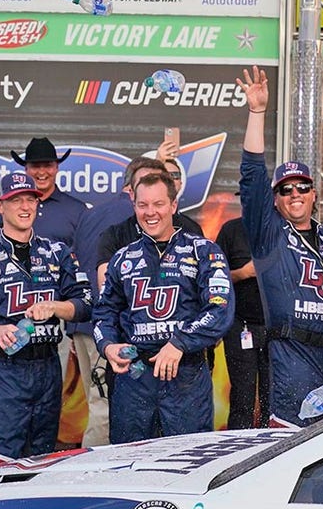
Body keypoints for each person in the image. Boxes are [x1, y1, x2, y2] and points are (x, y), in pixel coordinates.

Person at [236, 65, 323, 428]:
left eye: (302, 187)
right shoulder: (270, 236)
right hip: (293, 354)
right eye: (285, 189)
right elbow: (251, 178)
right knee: (291, 446)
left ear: (314, 194)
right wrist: (257, 112)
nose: (294, 194)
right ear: (276, 200)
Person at [93, 172, 233, 444]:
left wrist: (179, 343)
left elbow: (220, 309)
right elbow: (103, 313)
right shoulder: (122, 258)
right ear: (133, 206)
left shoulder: (204, 250)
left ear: (173, 205)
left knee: (188, 461)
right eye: (143, 205)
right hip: (133, 379)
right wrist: (108, 345)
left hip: (186, 377)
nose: (150, 212)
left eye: (158, 204)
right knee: (128, 461)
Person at [0, 172, 91, 467]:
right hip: (6, 369)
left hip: (49, 366)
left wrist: (55, 307)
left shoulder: (57, 252)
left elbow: (86, 303)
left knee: (42, 457)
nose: (25, 207)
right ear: (0, 206)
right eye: (16, 200)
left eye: (30, 199)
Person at [68, 155, 167, 448]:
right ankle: (94, 478)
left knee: (96, 403)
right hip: (114, 330)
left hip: (85, 325)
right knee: (107, 408)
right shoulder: (130, 221)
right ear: (135, 185)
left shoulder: (91, 213)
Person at [216, 214, 270, 429]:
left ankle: (275, 452)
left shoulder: (282, 229)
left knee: (274, 397)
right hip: (240, 325)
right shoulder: (231, 229)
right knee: (242, 396)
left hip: (276, 329)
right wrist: (242, 273)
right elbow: (215, 276)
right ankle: (239, 453)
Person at [10, 137, 87, 245]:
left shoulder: (77, 210)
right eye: (35, 166)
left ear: (56, 168)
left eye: (48, 165)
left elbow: (86, 252)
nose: (42, 172)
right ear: (26, 169)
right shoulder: (8, 208)